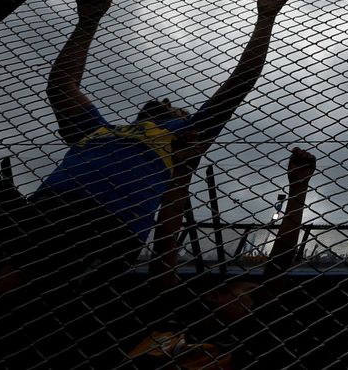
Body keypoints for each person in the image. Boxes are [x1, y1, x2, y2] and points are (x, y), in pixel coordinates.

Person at [0, 0, 294, 296]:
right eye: (164, 102)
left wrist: (265, 20)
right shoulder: (99, 131)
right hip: (36, 215)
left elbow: (239, 83)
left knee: (12, 276)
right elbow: (62, 85)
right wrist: (87, 24)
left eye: (178, 106)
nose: (170, 103)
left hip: (103, 230)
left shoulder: (186, 140)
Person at [128, 143, 317, 368]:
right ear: (215, 296)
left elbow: (281, 259)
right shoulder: (169, 314)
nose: (259, 301)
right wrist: (182, 171)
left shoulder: (242, 343)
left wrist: (298, 188)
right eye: (250, 295)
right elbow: (166, 238)